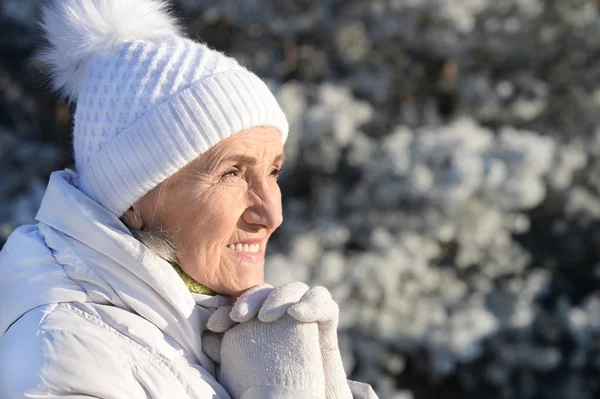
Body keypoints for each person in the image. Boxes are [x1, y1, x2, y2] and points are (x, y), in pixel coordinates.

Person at [0, 0, 378, 398]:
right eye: (232, 172)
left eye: (273, 171)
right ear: (132, 199)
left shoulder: (190, 325)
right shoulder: (66, 354)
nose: (271, 213)